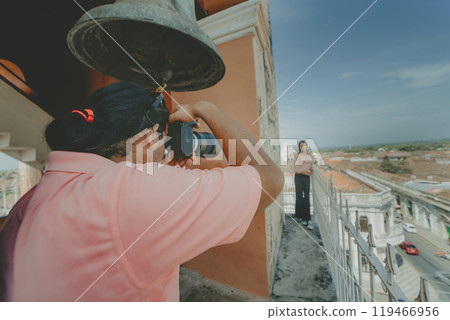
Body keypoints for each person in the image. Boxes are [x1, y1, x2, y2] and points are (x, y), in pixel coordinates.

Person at [0, 82, 284, 301]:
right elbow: (269, 179)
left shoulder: (29, 200)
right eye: (163, 136)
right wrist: (206, 108)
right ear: (149, 136)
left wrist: (148, 172)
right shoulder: (130, 192)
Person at [294, 140, 313, 230]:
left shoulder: (310, 156)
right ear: (299, 147)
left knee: (307, 197)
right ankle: (300, 216)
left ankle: (308, 218)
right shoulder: (297, 156)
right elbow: (297, 169)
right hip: (299, 177)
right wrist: (306, 173)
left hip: (306, 178)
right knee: (299, 197)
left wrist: (311, 171)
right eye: (300, 146)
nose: (302, 147)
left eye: (304, 145)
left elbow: (310, 167)